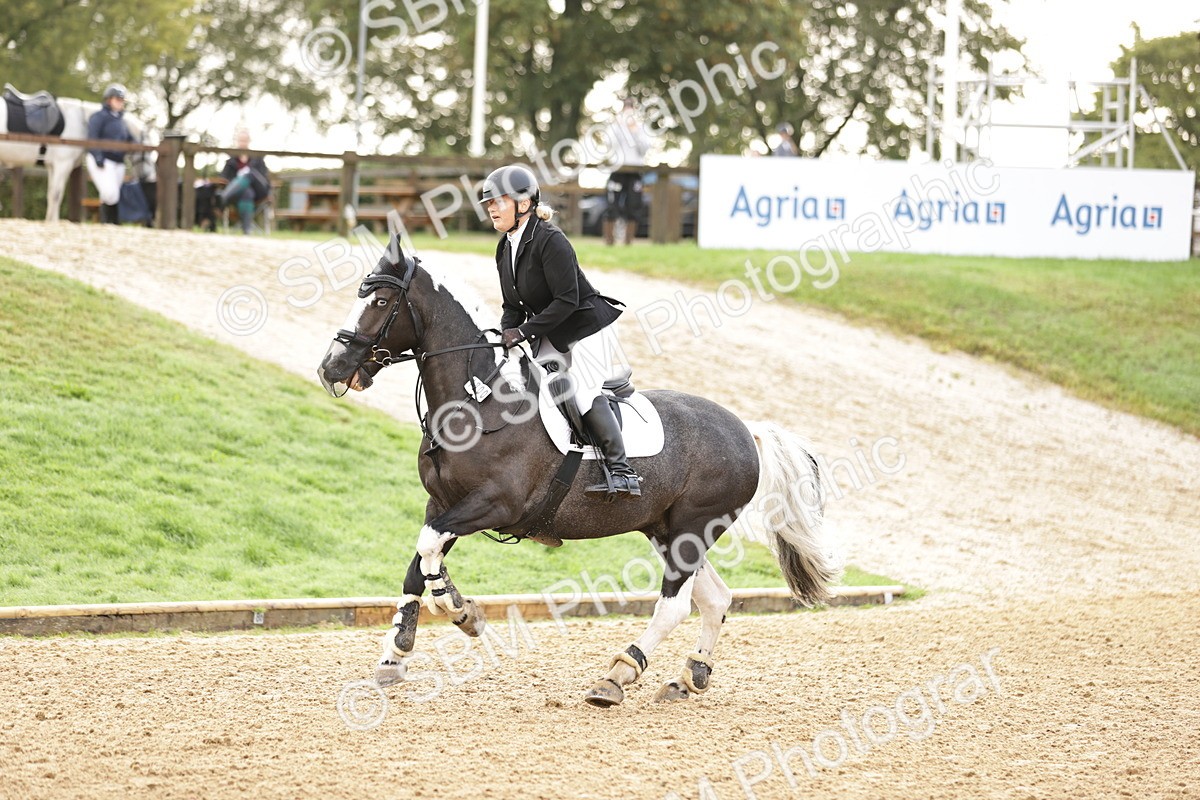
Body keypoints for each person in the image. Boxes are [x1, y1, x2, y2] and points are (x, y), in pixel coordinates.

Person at [480, 164, 643, 498]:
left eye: (498, 201)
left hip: (586, 328)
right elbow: (512, 305)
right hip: (552, 332)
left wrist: (523, 333)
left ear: (523, 205)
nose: (491, 207)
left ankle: (622, 471)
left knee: (580, 391)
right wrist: (504, 338)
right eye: (488, 203)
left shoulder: (550, 240)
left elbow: (567, 300)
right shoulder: (505, 247)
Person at [602, 98, 652, 246]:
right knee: (612, 204)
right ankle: (609, 241)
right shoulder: (614, 127)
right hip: (618, 170)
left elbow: (644, 149)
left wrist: (634, 130)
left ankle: (628, 242)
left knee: (634, 205)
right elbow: (609, 144)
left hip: (634, 172)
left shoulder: (641, 128)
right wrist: (619, 127)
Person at [85, 84, 135, 225]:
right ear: (108, 100)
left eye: (121, 100)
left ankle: (106, 223)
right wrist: (98, 157)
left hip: (118, 162)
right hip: (103, 160)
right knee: (110, 193)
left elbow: (129, 139)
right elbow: (92, 138)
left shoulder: (121, 121)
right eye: (117, 99)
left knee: (110, 195)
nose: (120, 102)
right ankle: (112, 222)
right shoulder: (98, 117)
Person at [217, 129, 271, 234]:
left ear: (249, 141)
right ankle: (247, 231)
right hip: (240, 193)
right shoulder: (231, 161)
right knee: (247, 192)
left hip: (259, 191)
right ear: (237, 141)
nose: (243, 143)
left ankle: (223, 197)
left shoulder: (258, 158)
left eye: (245, 140)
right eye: (241, 140)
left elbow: (264, 177)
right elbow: (223, 177)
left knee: (249, 173)